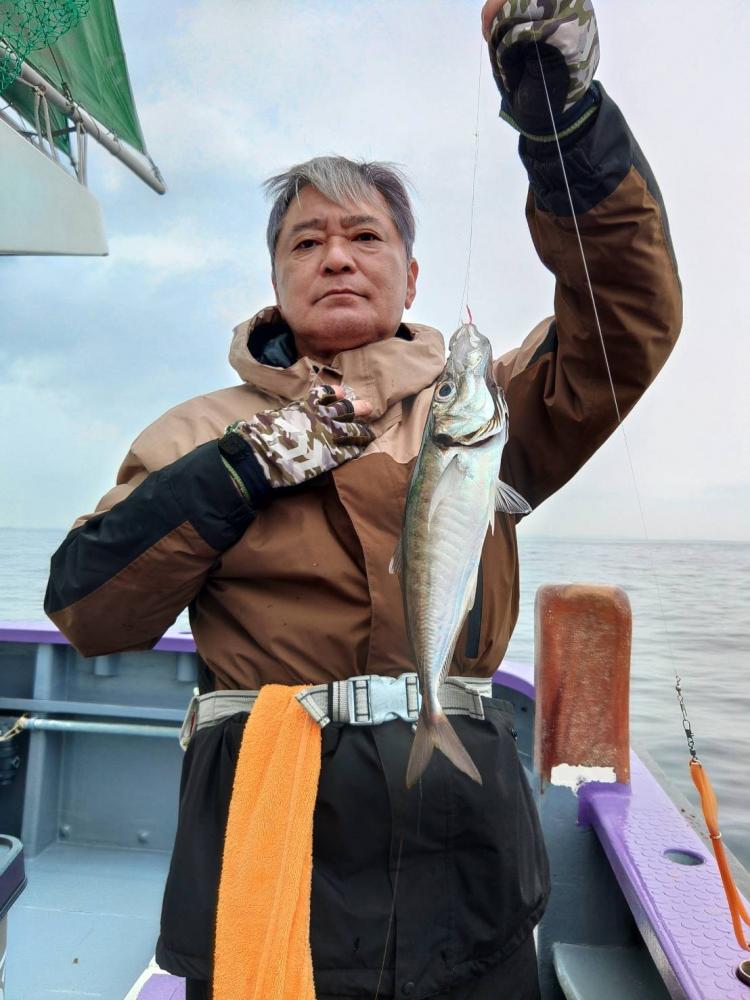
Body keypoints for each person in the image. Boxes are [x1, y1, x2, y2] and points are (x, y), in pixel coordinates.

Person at [44, 1, 682, 997]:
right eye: (307, 242)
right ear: (276, 277)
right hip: (270, 828)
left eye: (364, 235)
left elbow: (627, 315)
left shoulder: (487, 410)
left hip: (466, 845)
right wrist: (246, 465)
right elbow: (91, 609)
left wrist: (566, 125)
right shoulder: (195, 432)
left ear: (410, 273)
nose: (336, 255)